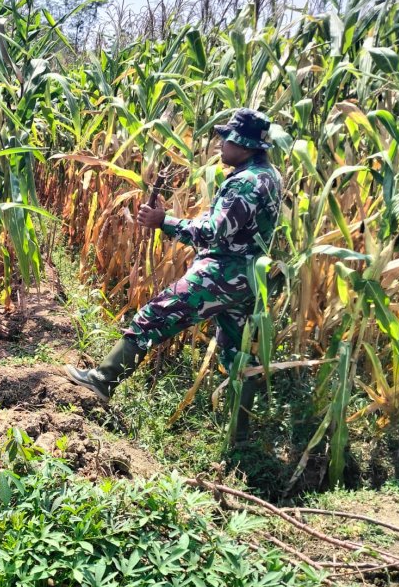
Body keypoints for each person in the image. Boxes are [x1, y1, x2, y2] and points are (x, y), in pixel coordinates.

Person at [64, 108, 282, 441]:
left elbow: (213, 232)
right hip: (250, 277)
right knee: (238, 354)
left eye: (226, 138)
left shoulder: (247, 182)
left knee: (155, 315)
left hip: (222, 272)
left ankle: (102, 380)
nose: (220, 144)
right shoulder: (269, 175)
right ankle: (240, 438)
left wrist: (164, 221)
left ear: (243, 143)